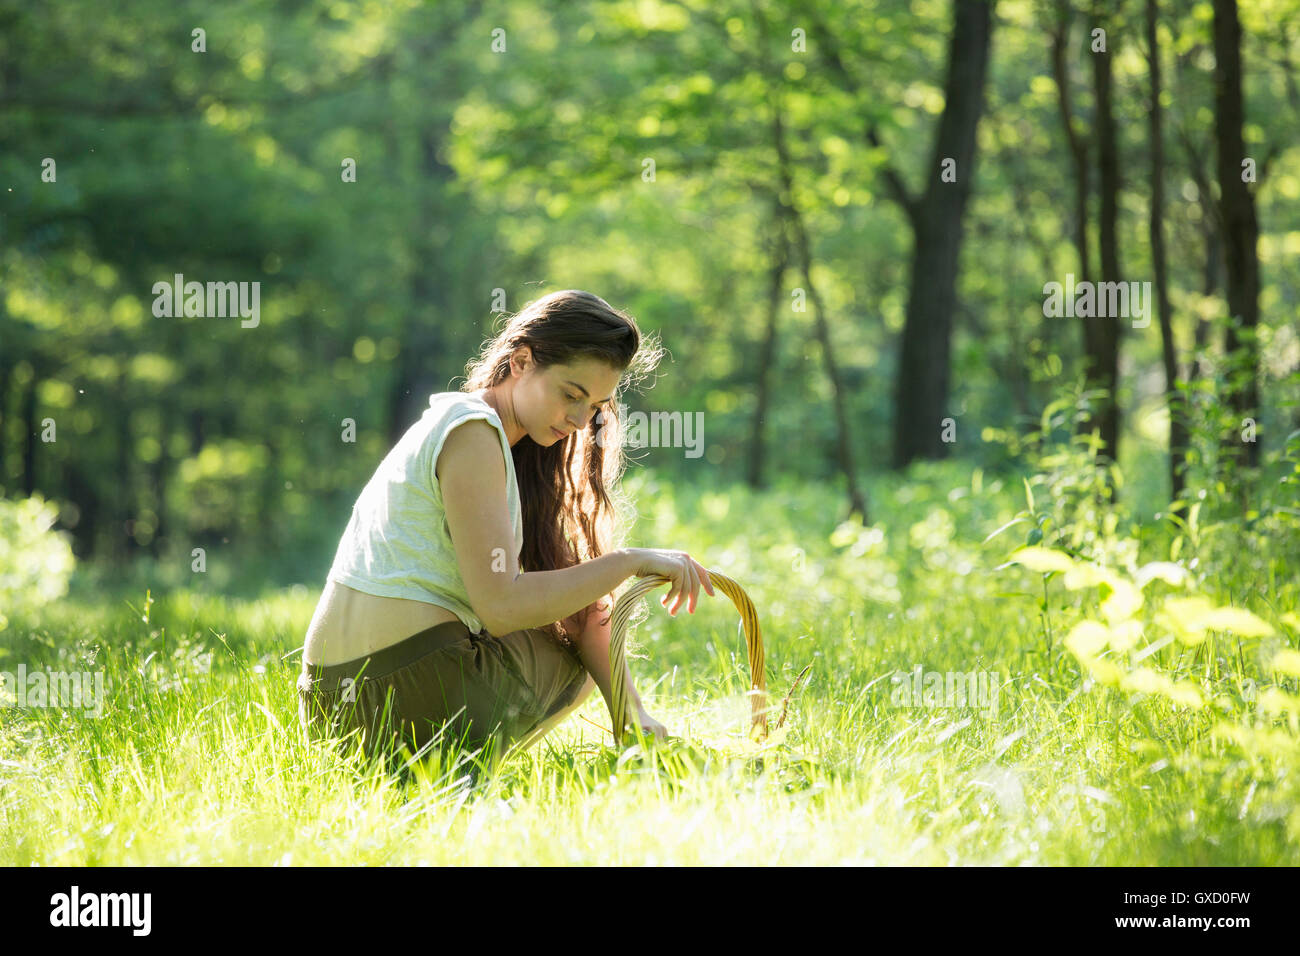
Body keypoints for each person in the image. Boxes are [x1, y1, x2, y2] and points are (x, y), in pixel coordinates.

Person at [296, 289, 714, 773]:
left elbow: (575, 606)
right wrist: (630, 562)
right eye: (571, 395)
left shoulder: (480, 433)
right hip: (401, 693)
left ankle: (623, 728)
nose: (581, 421)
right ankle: (460, 764)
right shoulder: (473, 431)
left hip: (330, 710)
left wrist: (631, 710)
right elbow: (501, 606)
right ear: (520, 361)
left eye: (597, 405)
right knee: (574, 657)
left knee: (575, 614)